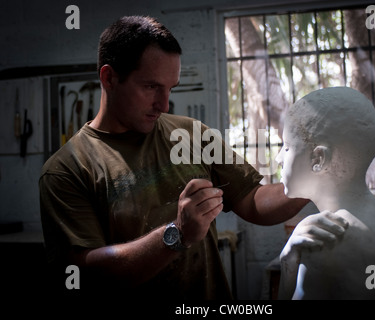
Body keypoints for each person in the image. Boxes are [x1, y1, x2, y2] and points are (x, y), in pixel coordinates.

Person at [39, 16, 347, 299]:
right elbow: (84, 272)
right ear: (109, 78)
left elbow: (252, 200)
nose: (164, 104)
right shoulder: (67, 170)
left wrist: (313, 176)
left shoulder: (191, 134)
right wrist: (177, 234)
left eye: (170, 88)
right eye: (151, 87)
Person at [276, 87, 375, 300]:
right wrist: (288, 260)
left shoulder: (328, 242)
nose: (278, 158)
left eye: (286, 147)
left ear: (318, 159)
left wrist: (288, 262)